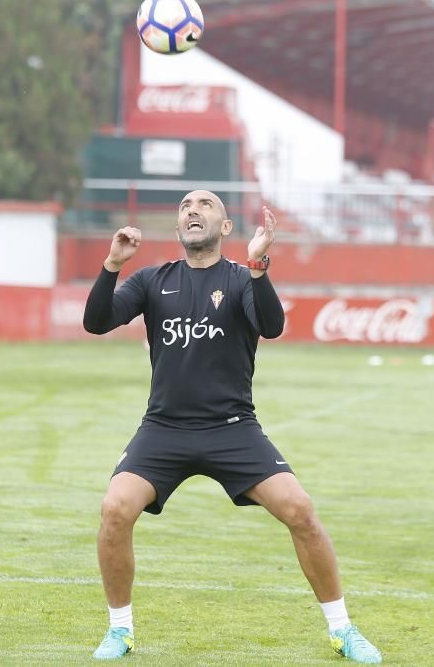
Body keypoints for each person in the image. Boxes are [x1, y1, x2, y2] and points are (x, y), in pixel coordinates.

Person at [83, 189, 382, 664]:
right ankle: (120, 632)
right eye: (185, 206)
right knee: (115, 509)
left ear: (225, 227)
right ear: (179, 227)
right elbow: (96, 322)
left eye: (205, 205)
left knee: (301, 510)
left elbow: (272, 325)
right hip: (164, 428)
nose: (192, 210)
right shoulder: (151, 280)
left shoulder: (242, 279)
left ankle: (343, 630)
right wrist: (112, 264)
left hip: (233, 428)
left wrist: (260, 266)